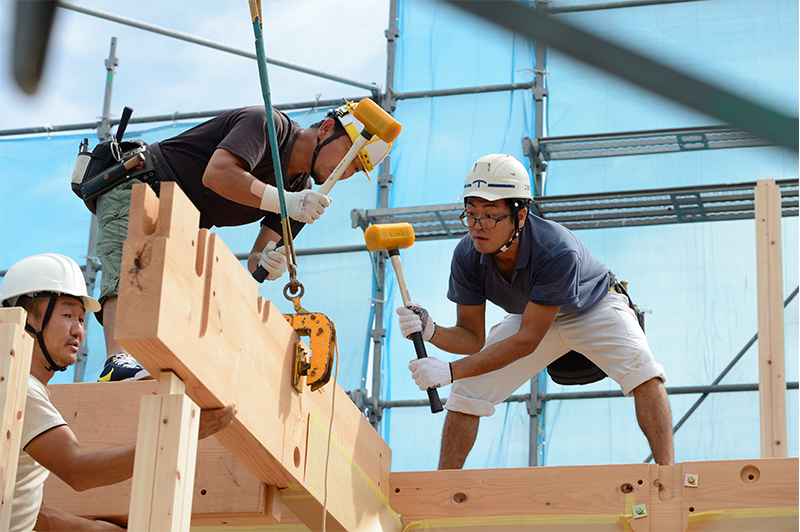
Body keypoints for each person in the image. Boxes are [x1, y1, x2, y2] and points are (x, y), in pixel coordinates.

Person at [396, 154, 674, 469]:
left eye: (490, 215)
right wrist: (432, 331)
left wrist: (449, 370)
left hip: (594, 307)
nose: (477, 227)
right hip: (531, 314)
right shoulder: (466, 255)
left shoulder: (556, 248)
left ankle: (667, 475)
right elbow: (472, 339)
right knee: (467, 391)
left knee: (643, 370)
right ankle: (443, 489)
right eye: (471, 215)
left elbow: (527, 340)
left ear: (522, 215)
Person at [95, 102, 392, 381]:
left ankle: (146, 366)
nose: (346, 173)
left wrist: (267, 262)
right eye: (349, 158)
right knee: (128, 269)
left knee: (173, 294)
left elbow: (259, 255)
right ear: (326, 128)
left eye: (355, 170)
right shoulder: (268, 124)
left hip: (184, 220)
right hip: (141, 185)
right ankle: (116, 360)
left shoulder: (301, 194)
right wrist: (286, 202)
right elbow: (217, 175)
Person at [0, 253, 237, 531]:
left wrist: (88, 528)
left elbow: (17, 499)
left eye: (81, 318)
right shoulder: (21, 390)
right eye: (67, 315)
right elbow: (78, 472)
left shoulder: (20, 389)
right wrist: (180, 434)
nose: (78, 330)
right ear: (28, 320)